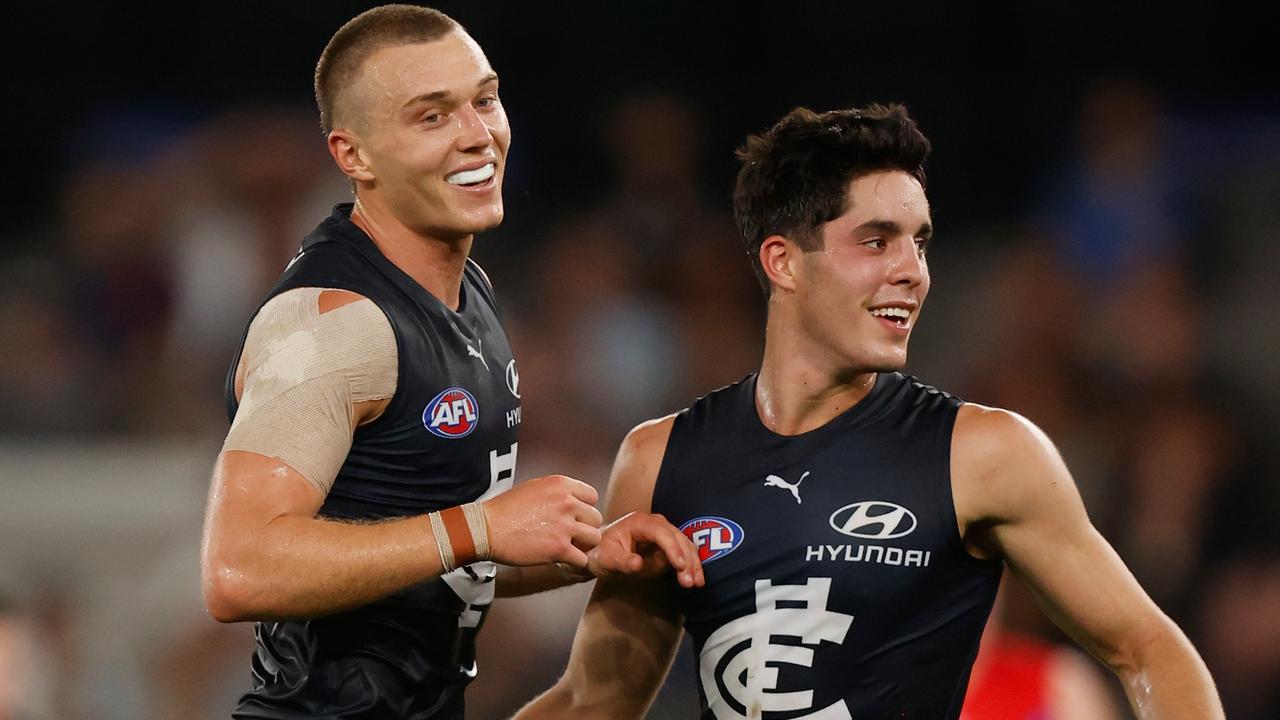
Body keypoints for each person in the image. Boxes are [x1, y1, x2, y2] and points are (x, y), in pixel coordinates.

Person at [515, 103, 1224, 719]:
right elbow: (595, 701)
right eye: (877, 239)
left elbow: (1148, 647)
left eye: (921, 241)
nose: (912, 269)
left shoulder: (983, 453)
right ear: (784, 262)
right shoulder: (660, 456)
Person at [198, 5, 702, 719]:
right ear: (354, 155)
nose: (478, 135)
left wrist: (579, 550)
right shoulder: (334, 320)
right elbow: (238, 569)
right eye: (432, 116)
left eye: (485, 100)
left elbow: (421, 561)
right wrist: (481, 528)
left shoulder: (469, 293)